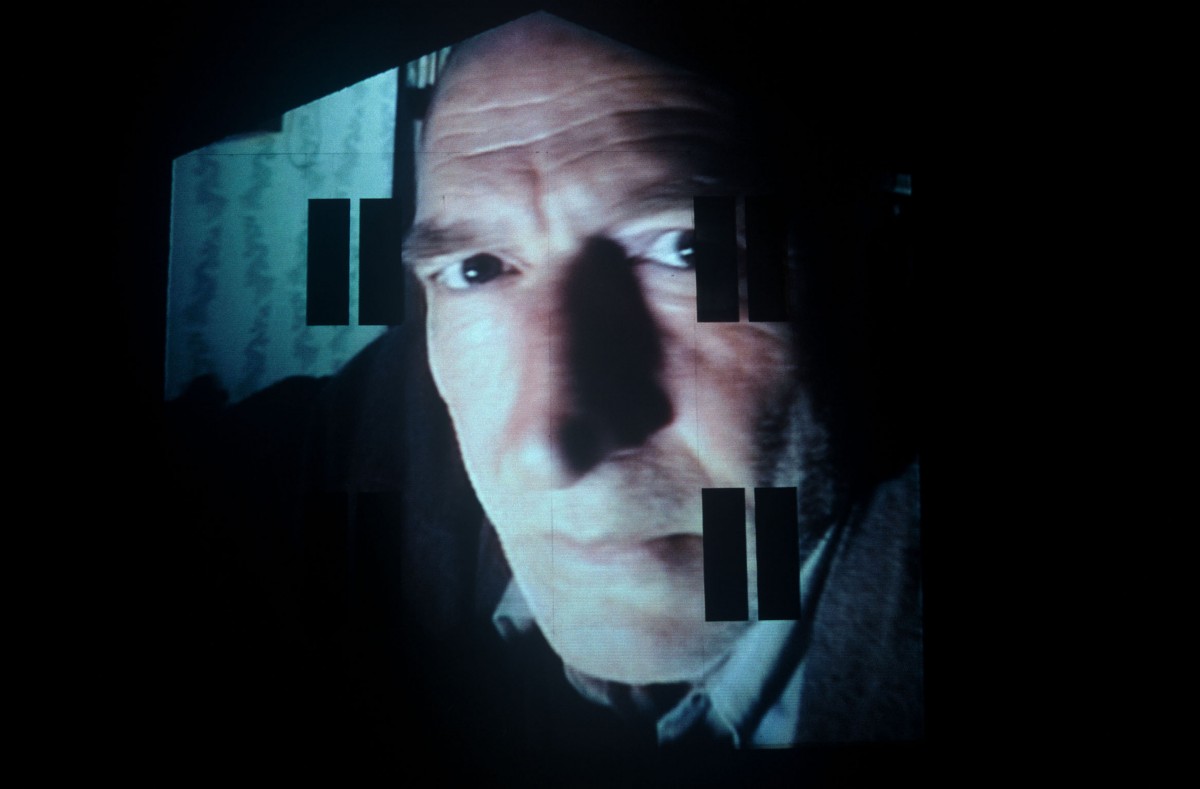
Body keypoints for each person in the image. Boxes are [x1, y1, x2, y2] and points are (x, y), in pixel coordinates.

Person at [174, 10, 920, 767]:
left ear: (861, 260)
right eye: (477, 269)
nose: (547, 447)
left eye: (688, 250)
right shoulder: (372, 432)